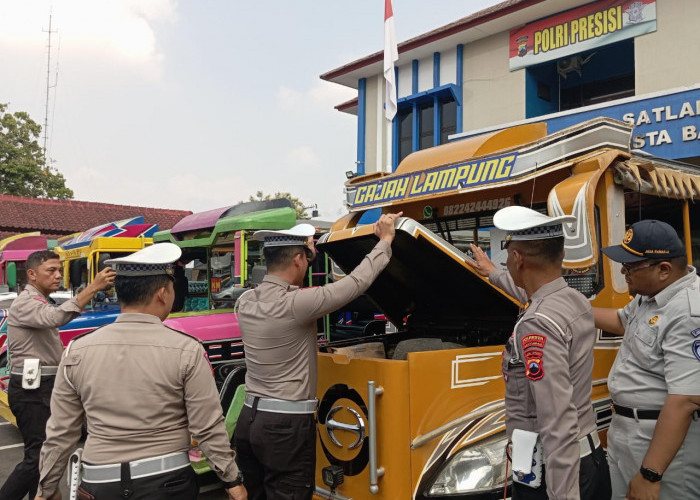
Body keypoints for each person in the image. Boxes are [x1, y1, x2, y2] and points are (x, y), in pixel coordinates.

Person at [34, 243, 247, 500]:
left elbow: (60, 433)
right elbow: (207, 426)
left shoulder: (77, 350)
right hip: (168, 482)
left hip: (98, 484)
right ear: (162, 293)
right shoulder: (186, 349)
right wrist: (231, 479)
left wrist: (46, 490)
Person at [234, 212, 401, 500]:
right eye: (306, 258)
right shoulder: (297, 303)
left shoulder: (245, 301)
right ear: (298, 260)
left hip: (249, 419)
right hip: (285, 428)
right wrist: (385, 240)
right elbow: (354, 284)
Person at [467, 206, 610, 500]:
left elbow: (557, 421)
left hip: (552, 474)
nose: (505, 262)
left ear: (518, 260)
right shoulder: (573, 299)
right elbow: (530, 295)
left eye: (507, 256)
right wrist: (493, 274)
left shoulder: (537, 324)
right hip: (586, 459)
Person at [593, 219, 700, 500]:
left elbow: (685, 400)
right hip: (625, 431)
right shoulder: (649, 296)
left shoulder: (688, 312)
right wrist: (566, 307)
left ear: (663, 270)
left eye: (630, 266)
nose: (623, 271)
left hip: (661, 446)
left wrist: (651, 474)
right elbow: (620, 321)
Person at [0, 250, 115, 500]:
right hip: (33, 389)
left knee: (41, 456)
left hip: (42, 385)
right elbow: (56, 318)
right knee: (37, 457)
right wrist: (93, 287)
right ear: (31, 275)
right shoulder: (25, 303)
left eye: (60, 270)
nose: (57, 275)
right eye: (50, 270)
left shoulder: (39, 300)